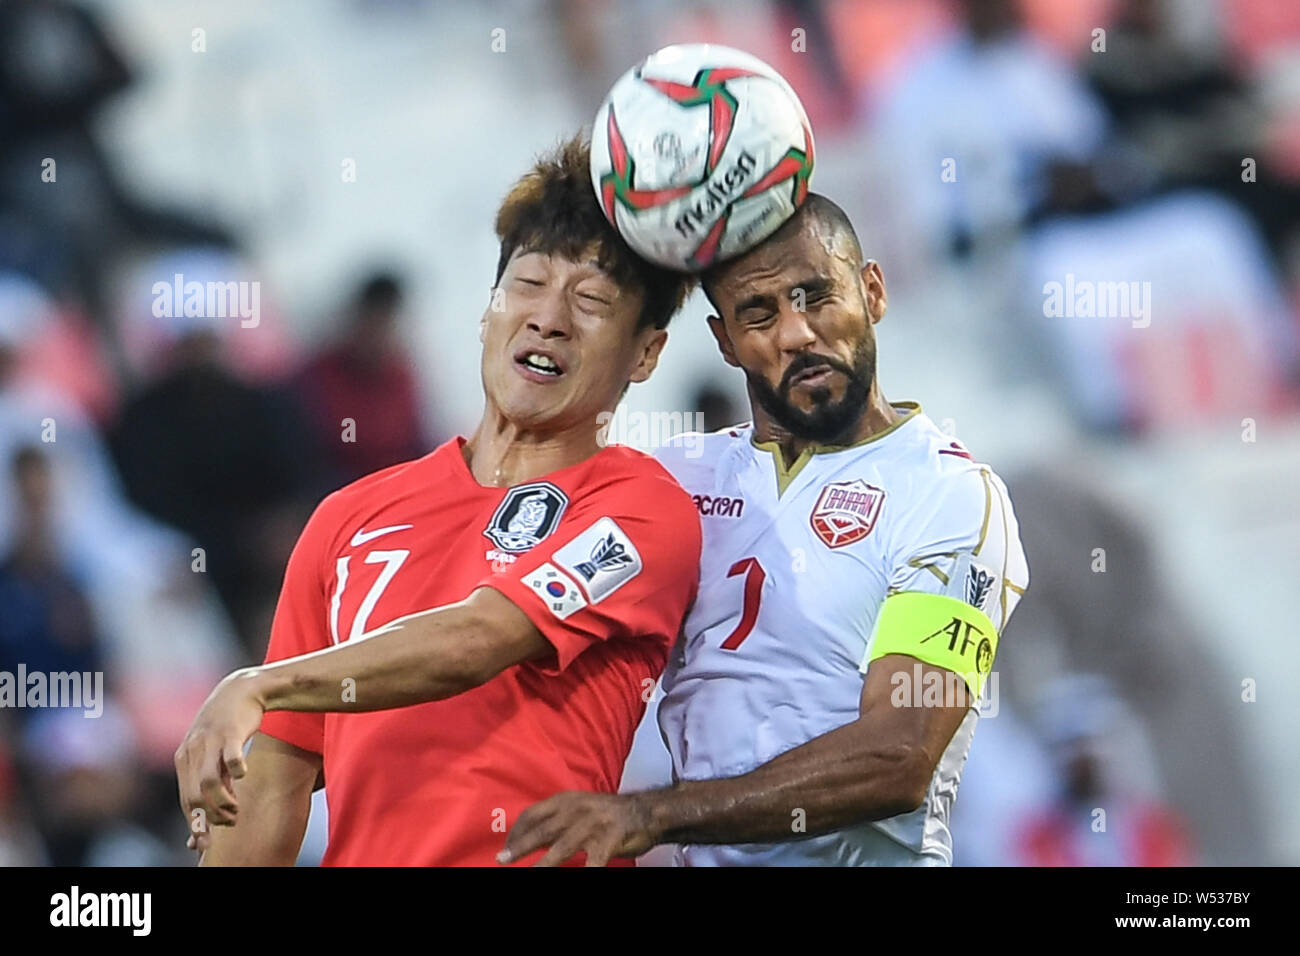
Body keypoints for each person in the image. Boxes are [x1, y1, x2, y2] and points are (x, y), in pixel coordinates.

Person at [173, 137, 699, 866]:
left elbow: (478, 642)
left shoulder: (641, 509)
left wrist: (258, 683)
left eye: (591, 301)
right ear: (487, 312)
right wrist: (269, 701)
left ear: (646, 353)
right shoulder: (345, 521)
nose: (548, 318)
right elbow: (273, 783)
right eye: (528, 285)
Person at [502, 194, 1029, 866]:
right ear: (726, 342)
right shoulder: (673, 483)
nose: (796, 334)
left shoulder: (948, 493)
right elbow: (520, 619)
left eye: (816, 295)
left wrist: (653, 813)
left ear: (872, 291)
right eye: (760, 314)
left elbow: (899, 754)